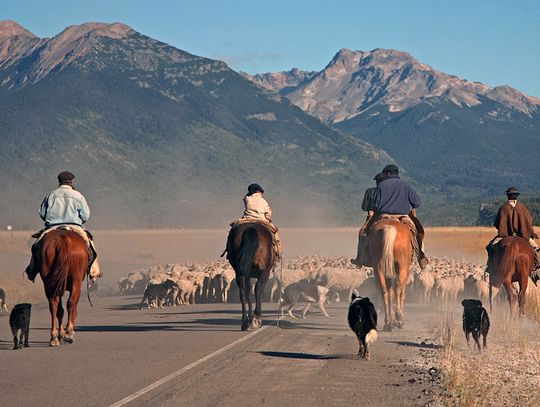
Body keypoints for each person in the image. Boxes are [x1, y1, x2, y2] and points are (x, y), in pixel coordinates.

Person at [25, 171, 102, 282]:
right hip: (75, 226)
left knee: (36, 246)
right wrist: (79, 220)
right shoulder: (78, 195)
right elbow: (86, 215)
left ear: (59, 182)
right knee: (90, 246)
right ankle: (94, 272)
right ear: (71, 181)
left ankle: (31, 271)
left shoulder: (50, 195)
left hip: (52, 227)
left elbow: (42, 213)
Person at [362, 164, 428, 269]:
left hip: (383, 216)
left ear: (388, 173)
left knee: (366, 231)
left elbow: (374, 205)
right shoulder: (405, 185)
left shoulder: (381, 186)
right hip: (403, 217)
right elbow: (417, 203)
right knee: (417, 232)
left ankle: (365, 256)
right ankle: (420, 255)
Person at [486, 187, 540, 271]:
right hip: (522, 235)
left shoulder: (504, 208)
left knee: (491, 246)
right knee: (536, 248)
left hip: (505, 235)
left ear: (508, 196)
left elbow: (497, 223)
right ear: (517, 196)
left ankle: (491, 266)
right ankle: (535, 265)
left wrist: (505, 229)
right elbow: (528, 221)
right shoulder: (522, 208)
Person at [350, 172, 386, 267]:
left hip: (376, 216)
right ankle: (418, 253)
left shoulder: (371, 191)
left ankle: (360, 258)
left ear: (377, 182)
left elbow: (364, 207)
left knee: (363, 233)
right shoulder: (392, 191)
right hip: (395, 216)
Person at [241, 183, 282, 258]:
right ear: (259, 192)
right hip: (261, 220)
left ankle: (228, 249)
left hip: (246, 219)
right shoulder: (263, 201)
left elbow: (245, 197)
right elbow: (268, 214)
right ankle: (278, 252)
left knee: (233, 229)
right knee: (275, 232)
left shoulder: (247, 199)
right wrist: (268, 218)